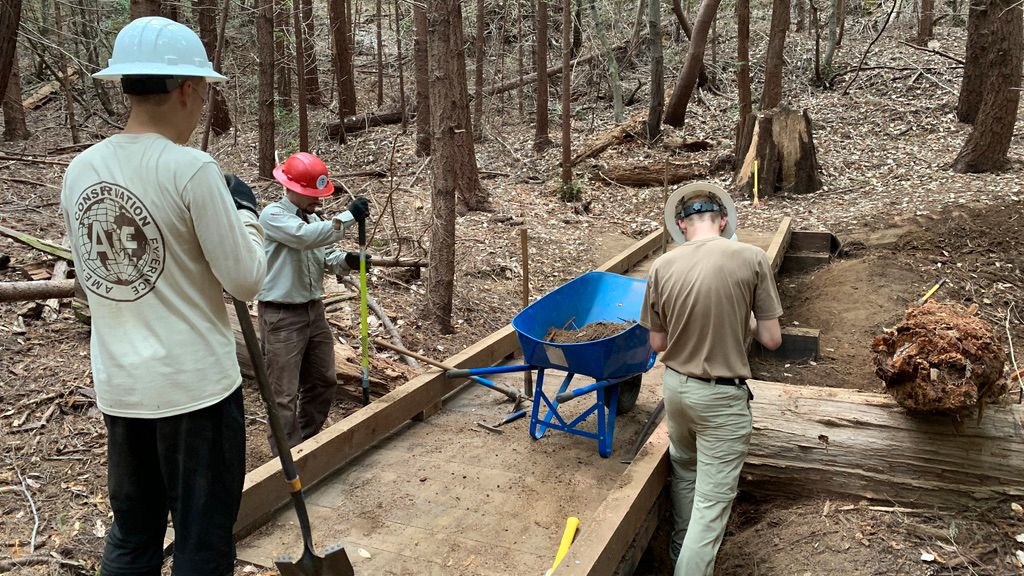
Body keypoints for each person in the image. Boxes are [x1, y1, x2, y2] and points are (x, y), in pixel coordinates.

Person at [60, 16, 266, 576]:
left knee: (134, 533)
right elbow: (247, 280)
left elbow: (91, 277)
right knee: (201, 540)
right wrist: (246, 214)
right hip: (195, 392)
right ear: (188, 88)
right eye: (203, 92)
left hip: (122, 388)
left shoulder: (81, 170)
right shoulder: (191, 169)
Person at [640, 187, 783, 576]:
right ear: (722, 222)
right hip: (721, 398)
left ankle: (677, 553)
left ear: (682, 225)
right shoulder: (752, 258)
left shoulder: (662, 266)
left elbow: (658, 342)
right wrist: (744, 318)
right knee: (712, 504)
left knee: (685, 470)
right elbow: (771, 339)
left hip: (676, 389)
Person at [257, 152, 370, 451]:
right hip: (281, 316)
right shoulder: (273, 216)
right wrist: (348, 217)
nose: (316, 201)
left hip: (313, 311)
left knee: (324, 380)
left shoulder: (314, 219)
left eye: (318, 195)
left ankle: (306, 443)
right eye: (310, 194)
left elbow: (325, 254)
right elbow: (305, 238)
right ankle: (288, 458)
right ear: (289, 187)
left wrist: (347, 260)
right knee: (283, 394)